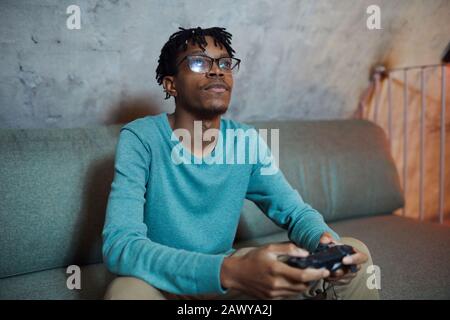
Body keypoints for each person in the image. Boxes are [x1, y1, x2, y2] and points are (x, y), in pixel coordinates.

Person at [102, 27, 379, 300]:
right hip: (162, 280)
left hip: (231, 277)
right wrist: (227, 271)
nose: (216, 70)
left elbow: (295, 212)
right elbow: (120, 245)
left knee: (354, 253)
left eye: (224, 63)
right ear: (171, 84)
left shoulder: (245, 140)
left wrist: (324, 243)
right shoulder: (140, 138)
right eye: (199, 62)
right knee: (125, 293)